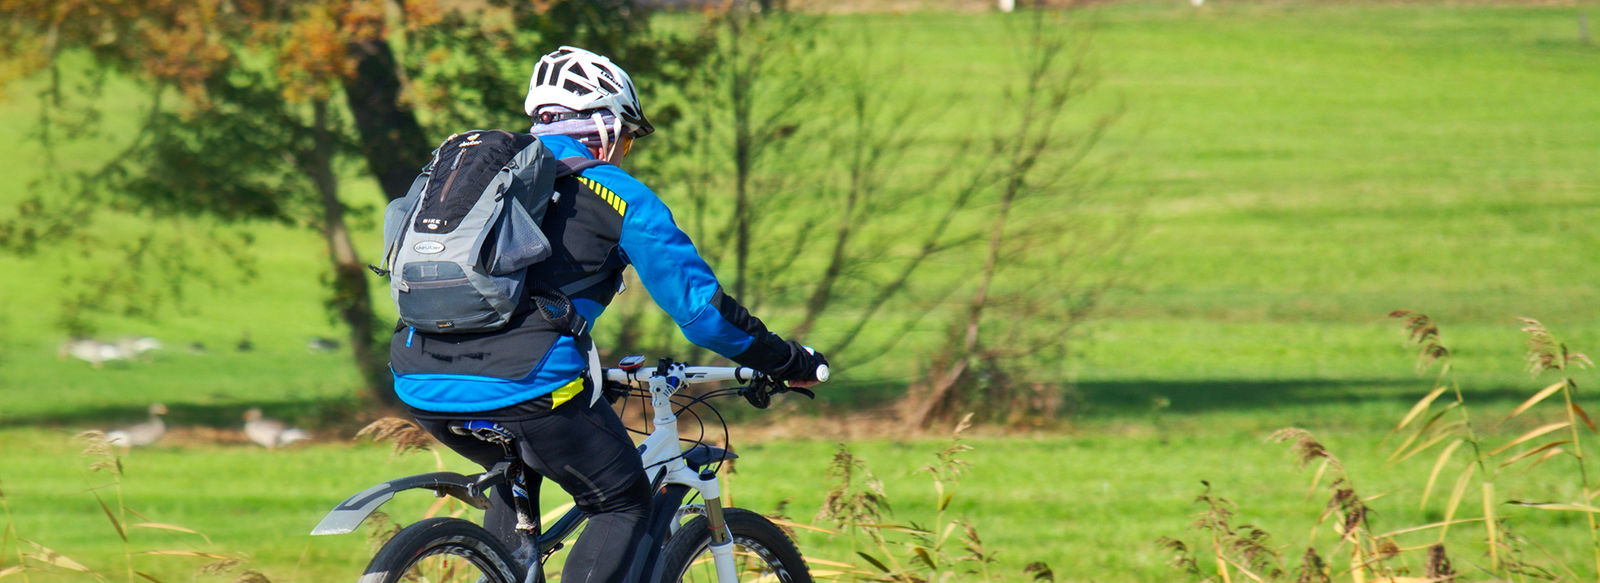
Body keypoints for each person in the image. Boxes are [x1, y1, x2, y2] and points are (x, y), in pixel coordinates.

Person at [389, 46, 828, 583]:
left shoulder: (485, 182)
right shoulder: (618, 194)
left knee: (519, 465)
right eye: (626, 135)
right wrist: (782, 357)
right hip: (527, 384)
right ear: (603, 125)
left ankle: (504, 567)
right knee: (622, 503)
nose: (626, 150)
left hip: (419, 380)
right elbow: (702, 313)